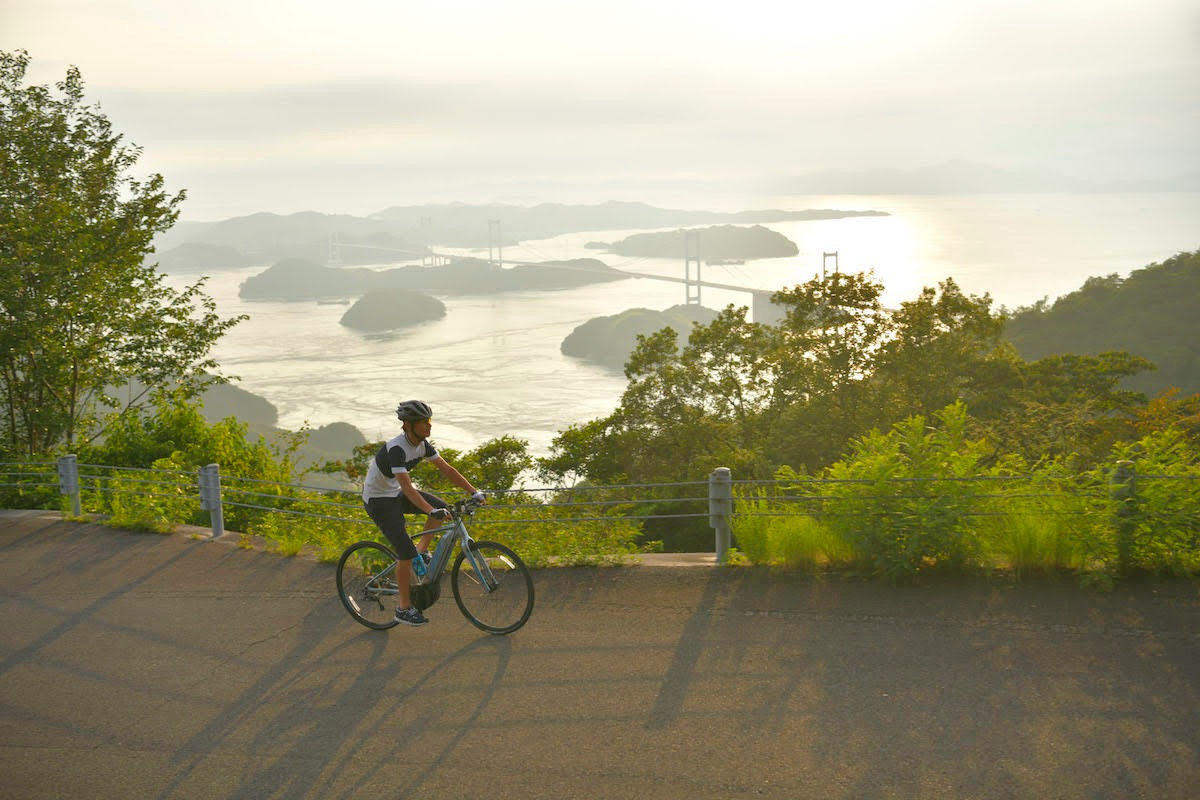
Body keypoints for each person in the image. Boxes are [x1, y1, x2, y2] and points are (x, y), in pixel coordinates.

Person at [362, 400, 485, 627]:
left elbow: (448, 469)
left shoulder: (423, 445)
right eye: (424, 423)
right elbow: (408, 489)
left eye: (429, 422)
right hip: (379, 500)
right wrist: (431, 510)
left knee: (442, 508)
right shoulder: (397, 449)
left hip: (395, 493)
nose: (429, 427)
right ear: (408, 425)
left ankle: (423, 549)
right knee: (405, 553)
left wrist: (473, 491)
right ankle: (403, 609)